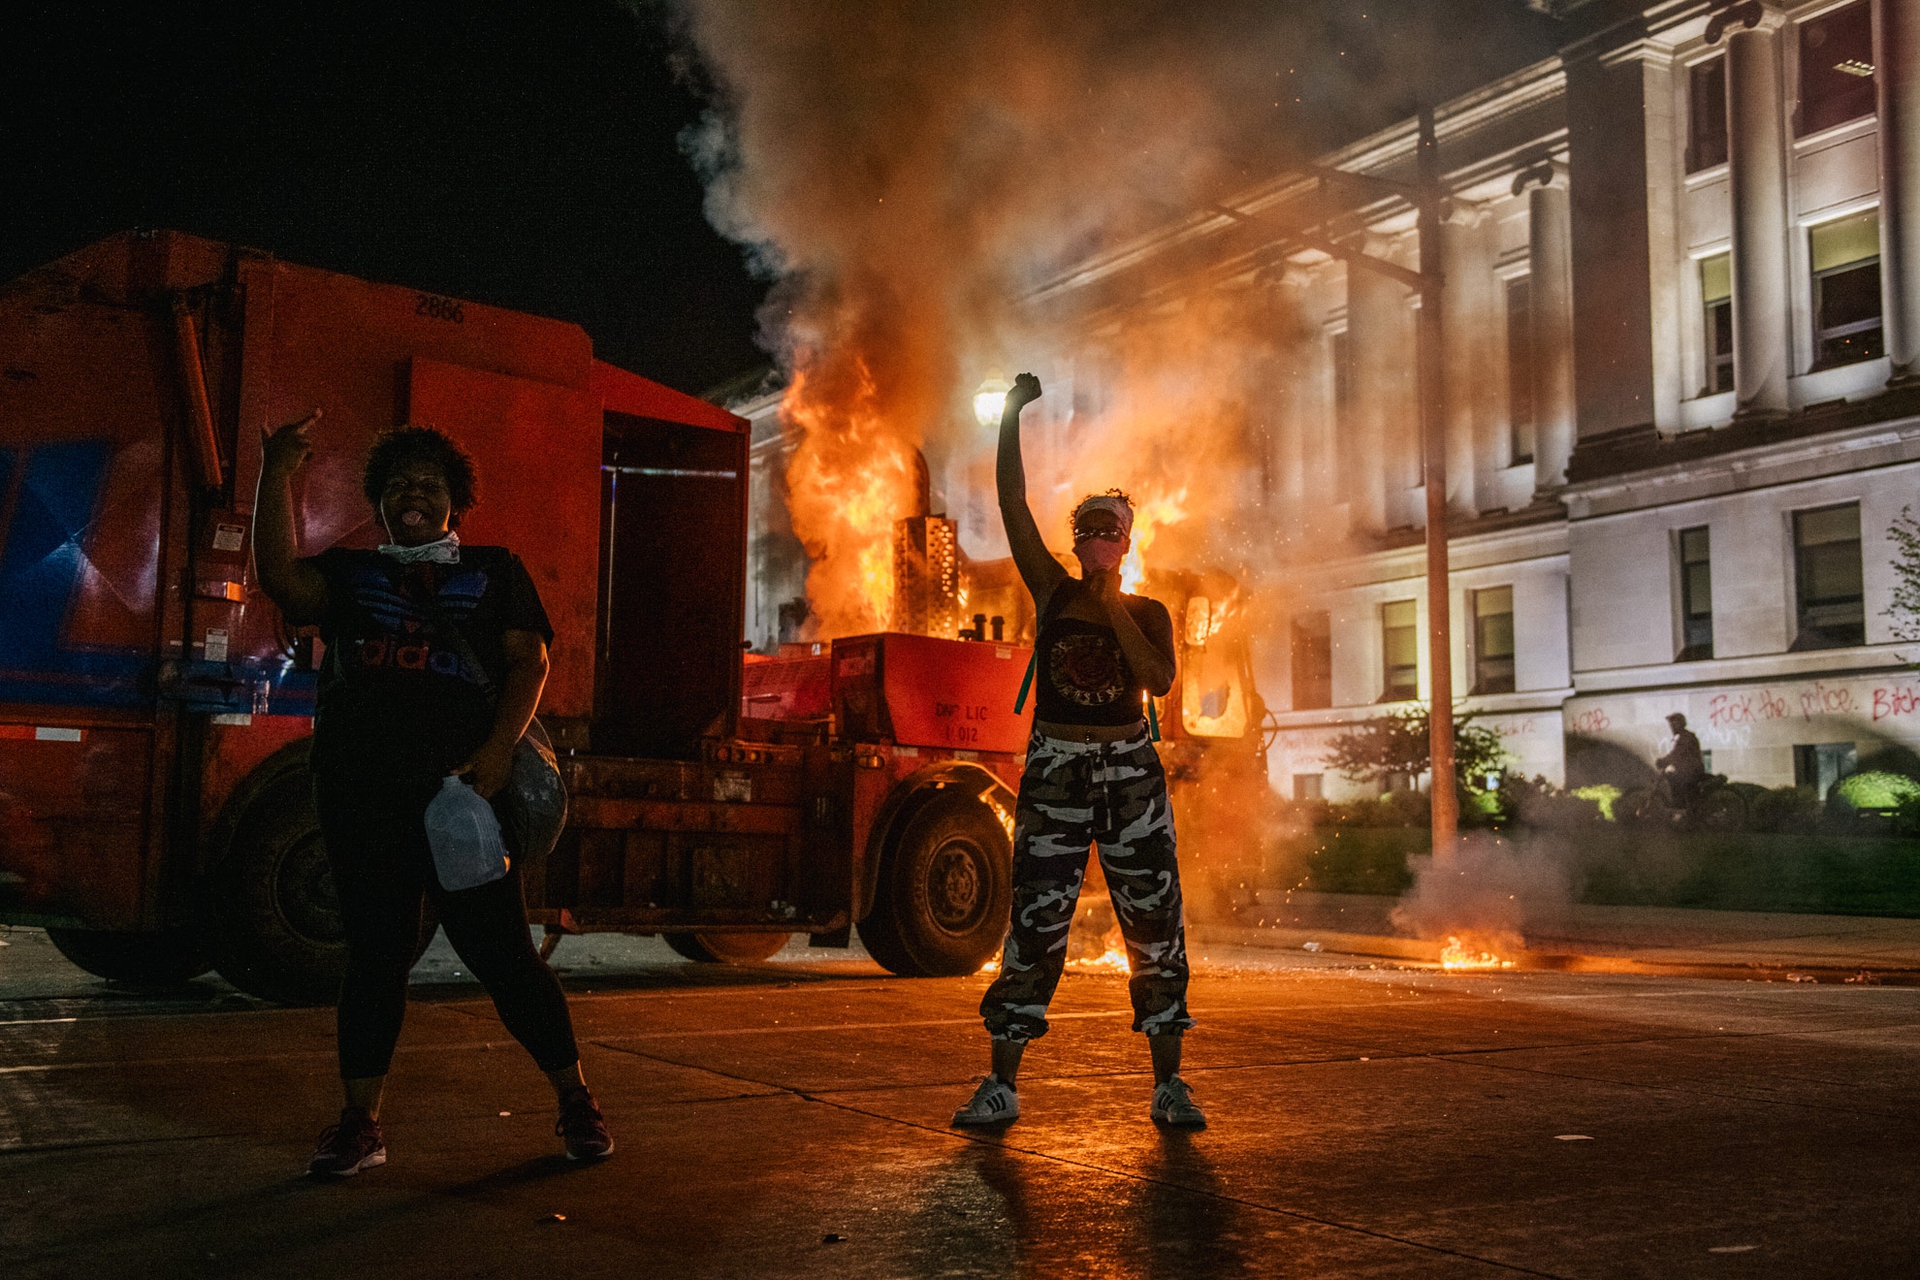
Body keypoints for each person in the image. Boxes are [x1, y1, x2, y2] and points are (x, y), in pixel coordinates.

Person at [254, 411, 613, 1176]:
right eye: (399, 484)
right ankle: (359, 1123)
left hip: (459, 800)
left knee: (504, 958)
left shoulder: (495, 571)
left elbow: (529, 663)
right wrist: (275, 474)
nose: (415, 494)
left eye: (431, 484)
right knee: (376, 958)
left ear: (456, 501)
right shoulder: (351, 576)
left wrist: (494, 755)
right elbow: (281, 579)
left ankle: (576, 1100)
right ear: (378, 502)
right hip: (361, 797)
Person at [951, 372, 1204, 1130]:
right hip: (1059, 767)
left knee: (1154, 923)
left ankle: (1169, 1086)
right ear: (1075, 538)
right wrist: (1010, 417)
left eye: (1109, 526)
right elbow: (1010, 504)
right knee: (1035, 921)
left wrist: (1113, 610)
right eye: (1087, 524)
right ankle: (1001, 1082)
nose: (1096, 535)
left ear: (1126, 541)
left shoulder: (1149, 612)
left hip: (1130, 771)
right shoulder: (1051, 592)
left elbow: (1158, 681)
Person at [1657, 713, 1707, 809]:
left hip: (1692, 771)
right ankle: (1680, 807)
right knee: (1673, 777)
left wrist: (1663, 761)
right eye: (1670, 725)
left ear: (1680, 724)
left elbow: (1677, 753)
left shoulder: (1686, 737)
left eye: (1673, 724)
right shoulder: (1683, 737)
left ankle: (1680, 809)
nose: (1671, 727)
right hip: (1688, 770)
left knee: (1675, 780)